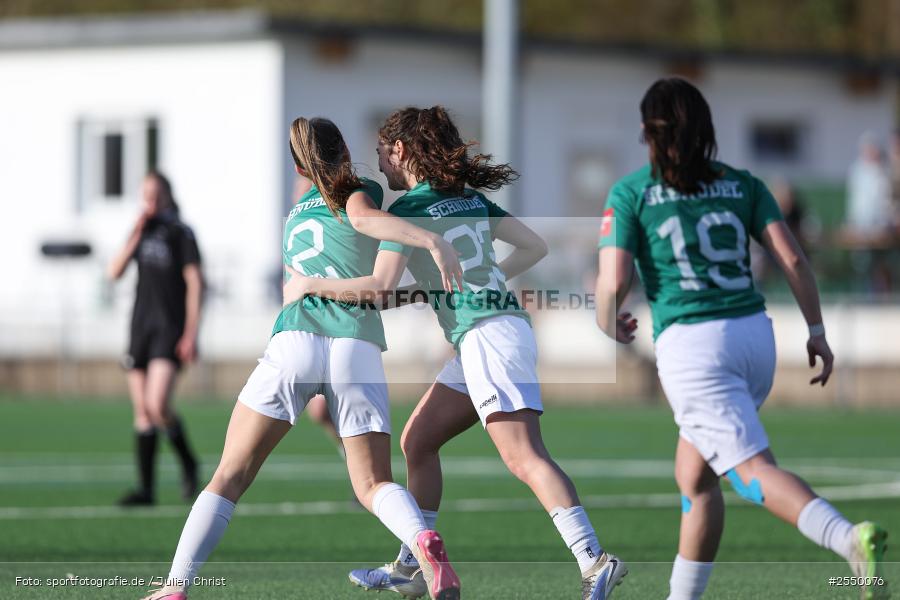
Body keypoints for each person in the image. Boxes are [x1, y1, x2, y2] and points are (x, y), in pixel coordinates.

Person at [284, 106, 628, 600]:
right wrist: (474, 286)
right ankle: (411, 567)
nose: (378, 163)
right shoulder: (467, 199)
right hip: (492, 330)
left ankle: (593, 559)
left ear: (401, 150)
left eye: (382, 152)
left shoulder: (406, 211)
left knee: (525, 456)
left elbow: (380, 288)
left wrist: (311, 284)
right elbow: (534, 248)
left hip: (487, 336)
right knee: (418, 441)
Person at [139, 117, 465, 600]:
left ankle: (174, 587)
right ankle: (421, 541)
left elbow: (338, 234)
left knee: (229, 474)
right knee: (373, 482)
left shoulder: (295, 214)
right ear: (344, 152)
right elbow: (361, 221)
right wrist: (429, 238)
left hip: (295, 339)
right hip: (354, 343)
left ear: (300, 167)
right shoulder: (363, 189)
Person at [594, 77, 889, 600]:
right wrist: (817, 331)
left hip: (693, 346)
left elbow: (614, 282)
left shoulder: (631, 191)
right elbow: (793, 258)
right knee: (696, 478)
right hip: (756, 340)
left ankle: (849, 540)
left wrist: (606, 320)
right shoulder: (745, 183)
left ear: (647, 133)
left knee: (751, 471)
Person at [107, 172, 202, 507]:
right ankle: (146, 490)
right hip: (140, 328)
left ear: (166, 195)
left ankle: (189, 462)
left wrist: (191, 332)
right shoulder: (140, 232)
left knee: (158, 405)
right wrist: (135, 232)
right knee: (142, 412)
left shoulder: (180, 232)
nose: (149, 199)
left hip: (169, 329)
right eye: (144, 193)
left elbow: (195, 283)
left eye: (155, 193)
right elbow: (114, 272)